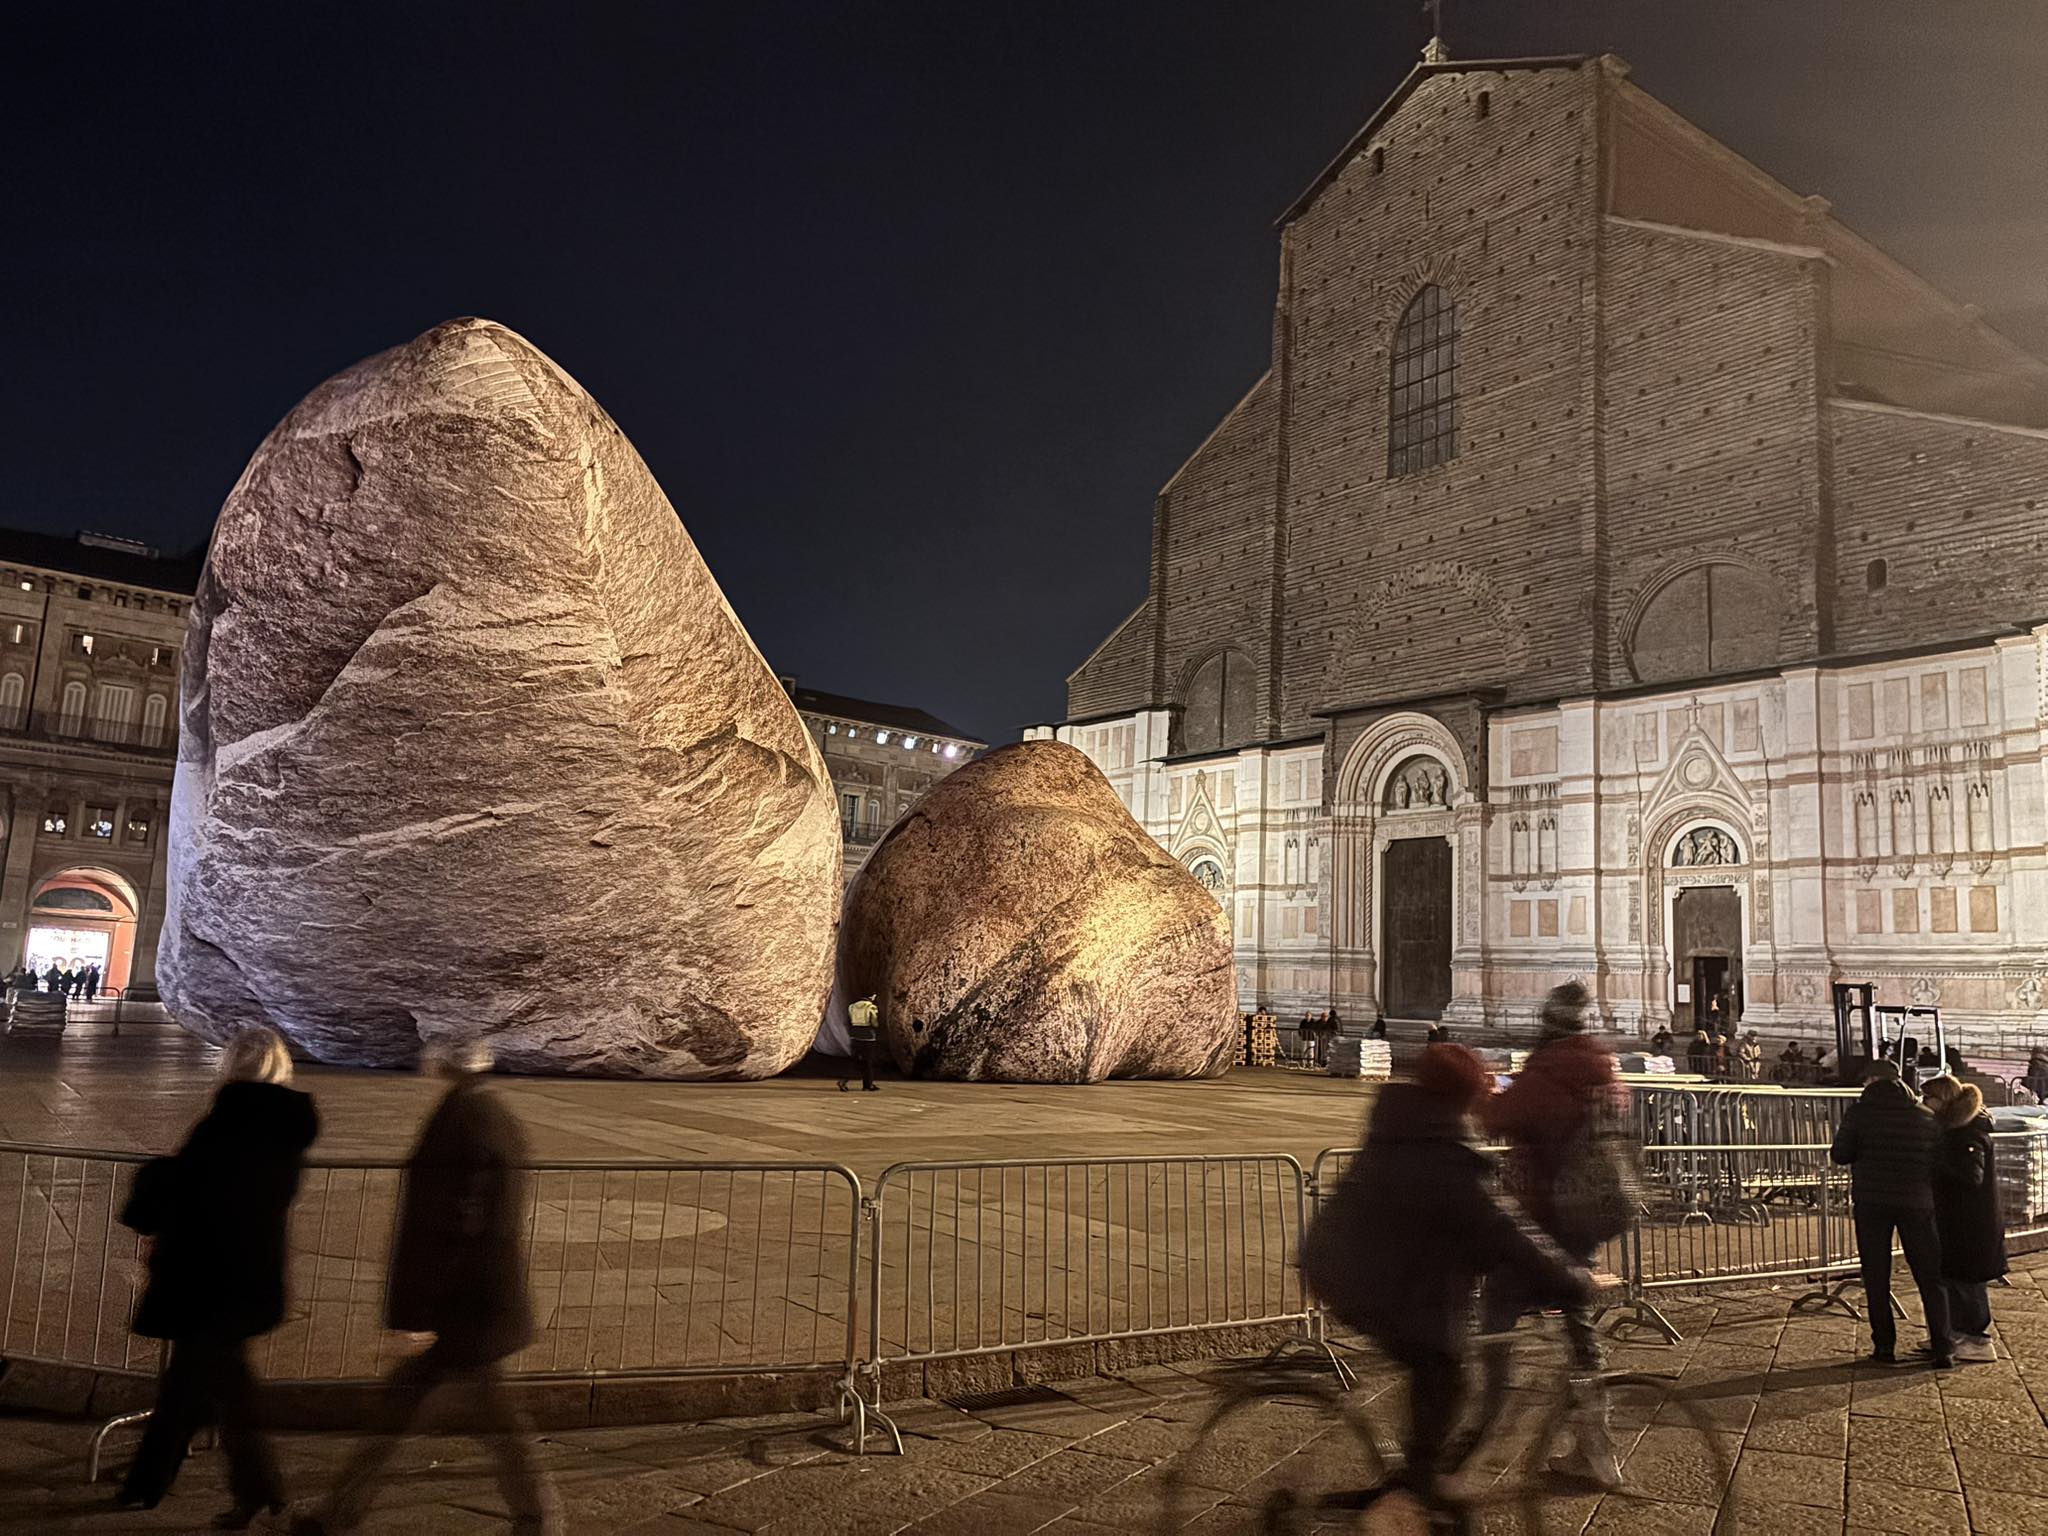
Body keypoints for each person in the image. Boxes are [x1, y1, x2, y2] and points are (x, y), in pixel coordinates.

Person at [1303, 1043, 1588, 1508]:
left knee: (1434, 1360)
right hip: (1366, 1278)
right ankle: (1412, 1492)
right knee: (1443, 1368)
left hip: (1354, 1265)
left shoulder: (1405, 1124)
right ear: (1463, 1097)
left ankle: (1409, 1482)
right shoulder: (1445, 1154)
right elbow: (1503, 1229)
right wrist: (1572, 1281)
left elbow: (1478, 1228)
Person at [295, 1039, 557, 1536]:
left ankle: (537, 1519)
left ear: (448, 1063)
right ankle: (337, 1515)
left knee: (475, 1421)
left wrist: (419, 1313)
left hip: (466, 1306)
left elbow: (457, 1223)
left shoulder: (467, 1119)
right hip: (475, 1303)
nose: (425, 1057)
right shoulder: (483, 1110)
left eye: (435, 1050)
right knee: (484, 1420)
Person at [117, 1027, 318, 1524]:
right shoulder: (287, 1126)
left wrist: (154, 1178)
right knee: (204, 1386)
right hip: (249, 1273)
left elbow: (195, 1187)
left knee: (208, 1389)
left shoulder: (230, 1121)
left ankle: (240, 1487)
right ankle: (162, 1482)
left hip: (209, 1277)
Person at [1476, 980, 1631, 1489]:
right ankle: (1596, 1448)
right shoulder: (1602, 1063)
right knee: (1578, 1327)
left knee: (1496, 1315)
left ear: (1548, 1023)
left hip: (1547, 1223)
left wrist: (1483, 1092)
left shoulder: (1550, 1069)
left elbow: (1498, 1119)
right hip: (1587, 1219)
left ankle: (1481, 1434)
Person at [1829, 1062, 1953, 1367]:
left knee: (1877, 1276)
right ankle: (1943, 1347)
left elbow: (1841, 1154)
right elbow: (1939, 1159)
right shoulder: (1926, 1117)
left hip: (1872, 1203)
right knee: (1930, 1277)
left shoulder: (1859, 1113)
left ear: (1871, 1080)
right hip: (1918, 1202)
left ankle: (1884, 1346)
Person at [1919, 1077, 2006, 1363]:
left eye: (1928, 1098)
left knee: (1968, 1282)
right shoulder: (1956, 1130)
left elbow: (1971, 1176)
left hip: (1971, 1222)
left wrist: (1935, 1163)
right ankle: (1957, 1332)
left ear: (1943, 1101)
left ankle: (1978, 1339)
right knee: (1956, 1278)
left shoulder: (1969, 1134)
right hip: (1959, 1220)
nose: (1923, 1104)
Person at [842, 996, 883, 1092]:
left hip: (855, 1036)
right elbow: (874, 1022)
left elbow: (849, 1020)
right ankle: (867, 1085)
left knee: (856, 1061)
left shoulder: (852, 1007)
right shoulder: (871, 1007)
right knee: (868, 1062)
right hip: (868, 1037)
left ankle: (844, 1081)